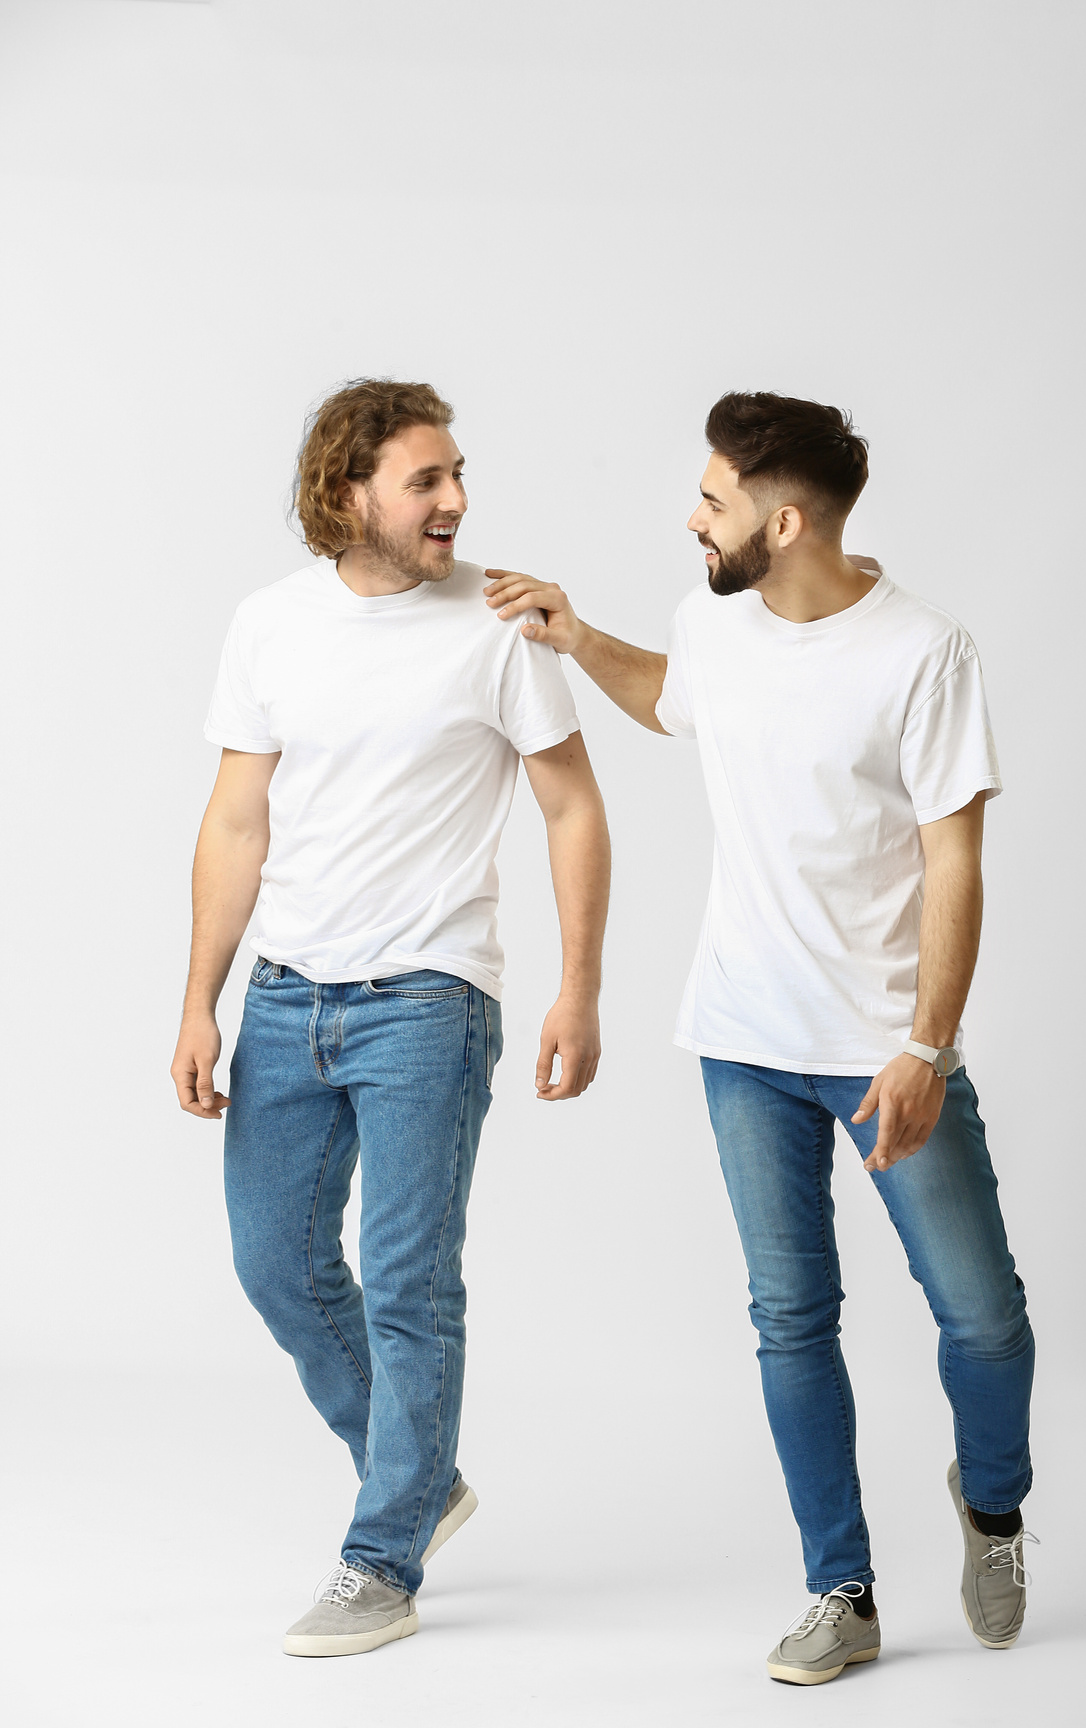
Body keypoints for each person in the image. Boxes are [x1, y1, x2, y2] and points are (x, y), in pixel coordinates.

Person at [484, 391, 1036, 1685]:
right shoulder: (711, 623)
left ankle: (995, 1507)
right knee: (791, 1319)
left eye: (713, 500)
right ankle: (840, 1589)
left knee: (984, 1319)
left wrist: (926, 1047)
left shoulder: (924, 652)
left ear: (783, 523)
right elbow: (682, 701)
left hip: (888, 1052)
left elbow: (956, 861)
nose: (693, 517)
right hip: (743, 1040)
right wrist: (578, 635)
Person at [170, 379, 610, 1658]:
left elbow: (572, 807)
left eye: (458, 474)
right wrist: (198, 999)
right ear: (348, 491)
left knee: (410, 1282)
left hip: (430, 997)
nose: (456, 500)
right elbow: (235, 822)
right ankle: (419, 1477)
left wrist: (579, 984)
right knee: (277, 1265)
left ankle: (382, 1556)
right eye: (427, 480)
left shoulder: (498, 623)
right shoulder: (269, 624)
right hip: (284, 995)